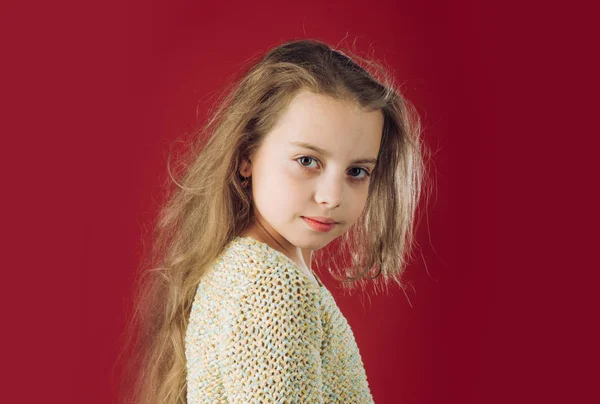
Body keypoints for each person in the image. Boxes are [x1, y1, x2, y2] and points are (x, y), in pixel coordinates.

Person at [122, 38, 427, 403]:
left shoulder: (246, 265)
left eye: (357, 170)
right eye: (307, 161)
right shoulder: (273, 288)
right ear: (246, 156)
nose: (332, 196)